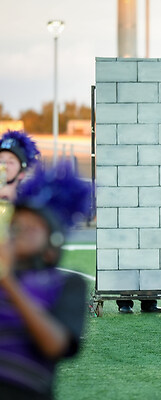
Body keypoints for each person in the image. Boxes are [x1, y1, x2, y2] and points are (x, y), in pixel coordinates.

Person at [0, 162, 90, 400]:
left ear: (52, 247)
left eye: (31, 228)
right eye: (15, 225)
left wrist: (7, 279)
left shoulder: (66, 283)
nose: (19, 231)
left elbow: (55, 346)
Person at [0, 130, 40, 201]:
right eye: (0, 161)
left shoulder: (29, 202)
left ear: (22, 173)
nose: (4, 165)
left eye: (11, 162)